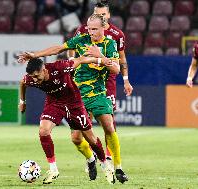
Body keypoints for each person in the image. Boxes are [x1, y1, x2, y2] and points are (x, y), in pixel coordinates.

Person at [18, 14, 128, 184]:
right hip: (77, 93)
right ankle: (91, 159)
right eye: (89, 28)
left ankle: (118, 167)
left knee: (109, 126)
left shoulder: (109, 44)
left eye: (94, 29)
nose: (90, 32)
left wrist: (101, 56)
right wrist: (34, 55)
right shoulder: (81, 39)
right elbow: (57, 49)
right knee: (77, 138)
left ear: (103, 28)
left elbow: (115, 70)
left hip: (97, 92)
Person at [19, 56, 117, 184]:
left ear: (44, 69)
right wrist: (22, 101)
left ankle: (105, 165)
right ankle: (53, 169)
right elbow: (22, 83)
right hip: (54, 104)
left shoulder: (61, 67)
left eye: (37, 76)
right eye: (33, 77)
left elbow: (81, 60)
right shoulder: (31, 79)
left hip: (74, 103)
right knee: (43, 131)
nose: (35, 80)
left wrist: (100, 61)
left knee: (90, 138)